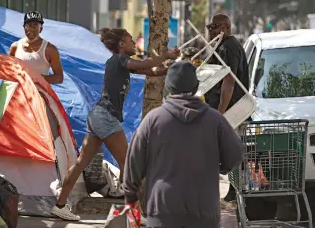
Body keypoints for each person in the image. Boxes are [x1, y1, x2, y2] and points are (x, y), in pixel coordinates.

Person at [50, 28, 180, 221]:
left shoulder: (120, 63)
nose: (133, 43)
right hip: (106, 117)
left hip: (98, 116)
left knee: (80, 164)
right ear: (121, 45)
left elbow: (153, 71)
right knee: (128, 165)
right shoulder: (120, 60)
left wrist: (169, 65)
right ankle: (134, 215)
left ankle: (59, 205)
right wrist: (166, 54)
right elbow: (148, 62)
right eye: (129, 40)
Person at [123, 61, 244, 228]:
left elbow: (133, 161)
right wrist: (220, 167)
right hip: (204, 210)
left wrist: (130, 196)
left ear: (168, 87)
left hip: (162, 211)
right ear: (195, 87)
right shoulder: (215, 119)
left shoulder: (153, 120)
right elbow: (236, 154)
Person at [205, 13, 250, 203]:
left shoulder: (228, 48)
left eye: (212, 27)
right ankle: (234, 189)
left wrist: (221, 113)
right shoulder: (224, 46)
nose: (210, 32)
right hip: (229, 110)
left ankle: (236, 190)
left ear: (225, 27)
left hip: (231, 111)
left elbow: (229, 81)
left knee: (230, 151)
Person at [9, 11, 64, 84]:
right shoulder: (15, 46)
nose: (31, 29)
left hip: (39, 94)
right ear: (24, 27)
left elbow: (59, 78)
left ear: (41, 29)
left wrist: (35, 79)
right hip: (19, 93)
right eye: (28, 25)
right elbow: (9, 71)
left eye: (35, 25)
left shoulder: (50, 49)